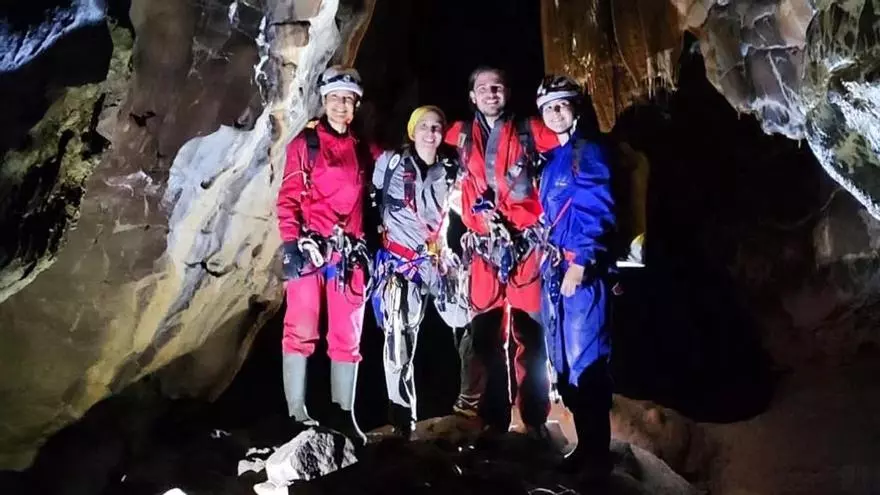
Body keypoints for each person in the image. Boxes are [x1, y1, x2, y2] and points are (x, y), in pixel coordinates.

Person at [444, 66, 559, 438]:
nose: (491, 93)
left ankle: (535, 418)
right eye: (483, 88)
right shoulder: (460, 134)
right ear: (472, 96)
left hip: (525, 248)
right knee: (486, 338)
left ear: (507, 92)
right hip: (483, 251)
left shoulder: (530, 131)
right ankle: (495, 418)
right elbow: (423, 138)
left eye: (497, 87)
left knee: (531, 336)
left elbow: (567, 139)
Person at [276, 65, 379, 446]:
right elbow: (288, 198)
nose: (341, 105)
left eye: (348, 100)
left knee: (347, 335)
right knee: (301, 329)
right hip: (311, 249)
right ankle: (296, 412)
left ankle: (344, 415)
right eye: (335, 98)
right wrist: (291, 243)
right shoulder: (305, 145)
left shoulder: (362, 149)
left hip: (348, 254)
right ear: (323, 101)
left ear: (356, 106)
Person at [535, 75, 616, 486]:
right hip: (556, 271)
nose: (555, 113)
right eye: (548, 108)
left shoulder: (588, 151)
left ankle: (599, 459)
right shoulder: (554, 160)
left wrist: (582, 261)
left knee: (587, 362)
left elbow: (596, 206)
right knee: (565, 364)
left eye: (561, 105)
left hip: (580, 273)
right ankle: (586, 447)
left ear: (576, 108)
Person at [370, 106, 467, 438]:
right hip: (401, 264)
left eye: (437, 127)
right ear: (412, 131)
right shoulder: (389, 164)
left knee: (468, 322)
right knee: (398, 340)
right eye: (423, 126)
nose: (430, 132)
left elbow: (468, 206)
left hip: (438, 262)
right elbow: (367, 193)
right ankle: (402, 420)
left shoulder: (451, 169)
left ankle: (472, 404)